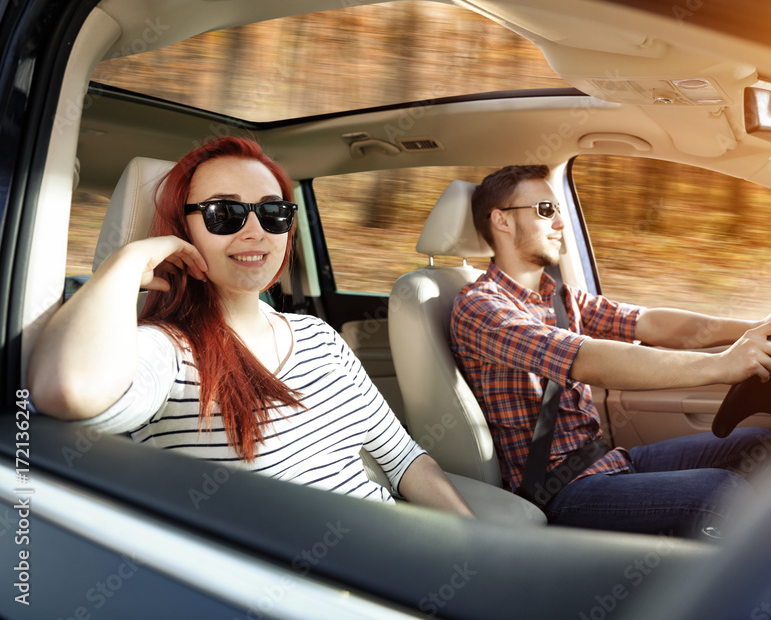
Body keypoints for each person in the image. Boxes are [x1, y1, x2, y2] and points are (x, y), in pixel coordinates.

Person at [29, 137, 473, 517]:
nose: (256, 232)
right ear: (181, 230)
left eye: (274, 212)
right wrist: (123, 264)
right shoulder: (167, 352)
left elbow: (404, 460)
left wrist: (474, 547)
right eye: (225, 213)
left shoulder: (320, 337)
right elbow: (65, 387)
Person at [450, 164, 771, 538]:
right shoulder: (480, 308)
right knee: (721, 493)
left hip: (607, 460)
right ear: (501, 221)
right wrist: (723, 365)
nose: (560, 223)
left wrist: (754, 327)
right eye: (546, 210)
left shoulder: (558, 296)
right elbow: (588, 360)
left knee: (763, 446)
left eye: (559, 210)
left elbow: (649, 322)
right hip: (558, 491)